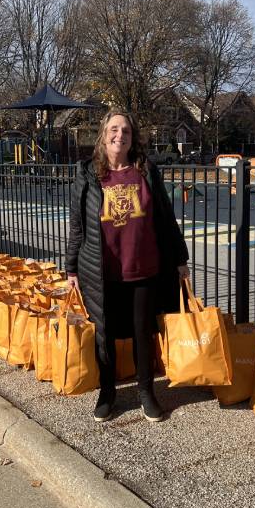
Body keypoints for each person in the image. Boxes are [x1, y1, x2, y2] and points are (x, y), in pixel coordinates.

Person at [63, 111, 190, 423]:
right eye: (114, 129)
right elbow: (77, 226)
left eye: (127, 131)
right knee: (103, 334)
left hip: (143, 268)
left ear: (133, 139)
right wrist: (71, 270)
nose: (120, 135)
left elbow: (164, 216)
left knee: (142, 332)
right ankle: (108, 393)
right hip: (101, 270)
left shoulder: (145, 170)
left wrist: (180, 259)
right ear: (104, 134)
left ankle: (146, 392)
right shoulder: (88, 173)